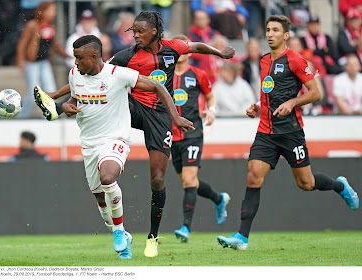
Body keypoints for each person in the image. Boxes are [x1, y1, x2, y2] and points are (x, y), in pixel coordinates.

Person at [33, 11, 235, 258]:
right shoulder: (126, 56)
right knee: (110, 95)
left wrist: (220, 53)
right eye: (133, 31)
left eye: (140, 31)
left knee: (158, 179)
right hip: (134, 109)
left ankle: (152, 237)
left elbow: (195, 46)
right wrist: (55, 97)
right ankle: (94, 137)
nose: (135, 35)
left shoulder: (173, 48)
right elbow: (95, 75)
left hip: (160, 117)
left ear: (154, 32)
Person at [217, 15, 359, 251]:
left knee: (306, 183)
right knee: (253, 175)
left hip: (291, 132)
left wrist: (293, 102)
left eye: (275, 30)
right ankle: (242, 237)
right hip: (266, 132)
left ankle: (339, 186)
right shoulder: (263, 61)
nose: (270, 34)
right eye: (268, 30)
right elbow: (269, 95)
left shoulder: (296, 60)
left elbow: (316, 93)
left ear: (286, 35)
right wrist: (257, 106)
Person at [53, 35, 193, 259]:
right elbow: (74, 100)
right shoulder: (74, 75)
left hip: (115, 138)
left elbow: (157, 85)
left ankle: (118, 232)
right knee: (101, 199)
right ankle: (122, 234)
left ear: (94, 57)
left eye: (79, 58)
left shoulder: (118, 75)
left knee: (108, 178)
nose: (75, 63)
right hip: (89, 144)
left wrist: (175, 117)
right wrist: (66, 107)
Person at [170, 35, 230, 242]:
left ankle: (186, 228)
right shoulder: (161, 76)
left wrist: (211, 110)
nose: (180, 52)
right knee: (190, 181)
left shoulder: (198, 74)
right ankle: (219, 198)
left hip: (193, 134)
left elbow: (211, 97)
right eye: (176, 48)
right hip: (171, 137)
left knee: (188, 180)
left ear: (190, 51)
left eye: (184, 48)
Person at [16, 1, 70, 118]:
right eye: (51, 10)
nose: (53, 13)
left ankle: (46, 114)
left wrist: (68, 55)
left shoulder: (50, 27)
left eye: (54, 11)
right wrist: (20, 60)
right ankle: (22, 116)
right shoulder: (32, 25)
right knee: (32, 92)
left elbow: (55, 46)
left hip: (44, 62)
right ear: (42, 11)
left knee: (50, 89)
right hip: (32, 63)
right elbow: (22, 44)